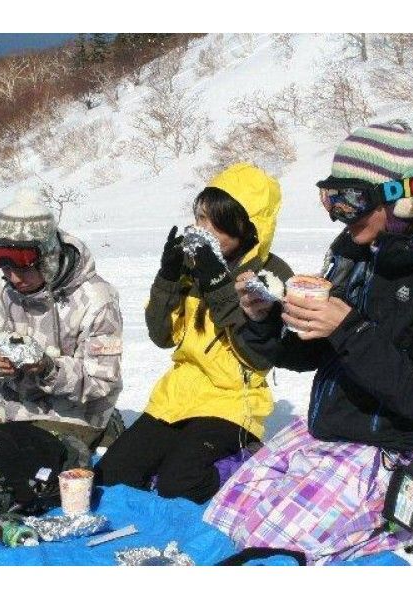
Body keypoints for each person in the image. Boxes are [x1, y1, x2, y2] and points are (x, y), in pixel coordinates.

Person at [204, 121, 413, 563]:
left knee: (270, 545)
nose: (340, 215)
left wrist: (349, 329)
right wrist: (266, 322)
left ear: (402, 197)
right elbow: (310, 354)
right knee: (225, 518)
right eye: (332, 198)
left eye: (352, 200)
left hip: (397, 446)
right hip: (328, 428)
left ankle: (398, 512)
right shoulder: (356, 251)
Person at [95, 163, 293, 504]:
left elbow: (258, 355)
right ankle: (176, 457)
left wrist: (218, 283)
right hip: (179, 395)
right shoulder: (192, 267)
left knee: (182, 485)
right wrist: (168, 277)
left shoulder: (270, 276)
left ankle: (246, 462)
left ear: (248, 228)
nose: (205, 230)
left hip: (232, 401)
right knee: (112, 476)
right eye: (201, 218)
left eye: (217, 222)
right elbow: (162, 336)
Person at [0, 189, 124, 462]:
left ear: (47, 259)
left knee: (41, 470)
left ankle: (108, 430)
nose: (14, 278)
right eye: (6, 268)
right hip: (15, 411)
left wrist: (48, 370)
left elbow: (101, 381)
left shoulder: (96, 298)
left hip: (76, 415)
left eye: (23, 268)